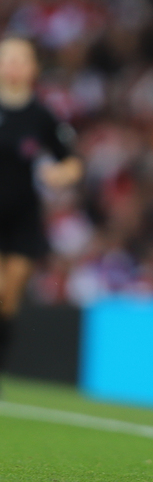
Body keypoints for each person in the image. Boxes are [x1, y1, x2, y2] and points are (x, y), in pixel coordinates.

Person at [0, 37, 83, 385]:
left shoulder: (42, 116)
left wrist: (58, 174)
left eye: (22, 59)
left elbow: (72, 162)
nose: (15, 64)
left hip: (22, 217)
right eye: (8, 58)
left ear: (33, 68)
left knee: (8, 297)